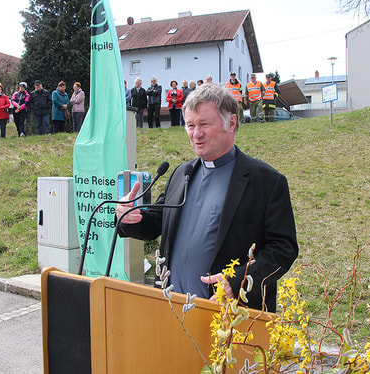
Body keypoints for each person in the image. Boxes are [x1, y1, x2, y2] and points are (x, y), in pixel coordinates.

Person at [116, 83, 298, 312]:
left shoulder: (266, 182)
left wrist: (238, 282)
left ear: (231, 123)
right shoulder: (182, 173)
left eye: (204, 124)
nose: (196, 134)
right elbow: (157, 222)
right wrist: (130, 216)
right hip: (170, 309)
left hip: (230, 315)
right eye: (190, 125)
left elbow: (283, 249)